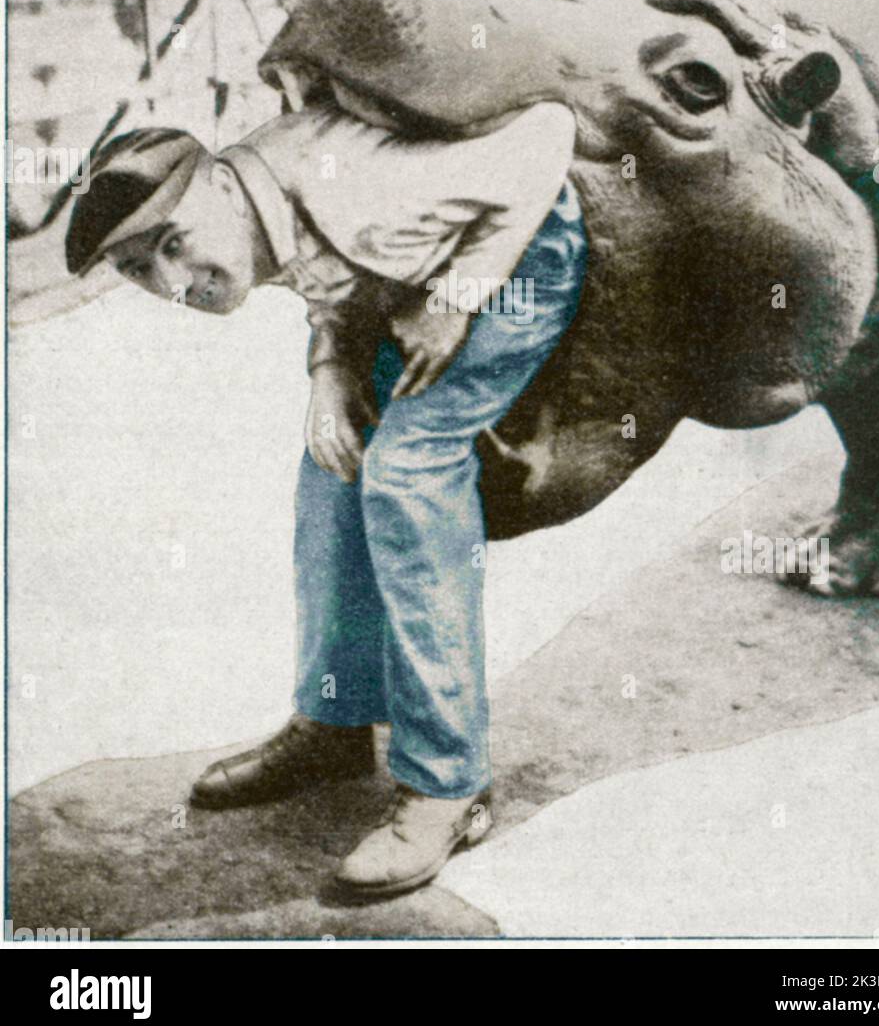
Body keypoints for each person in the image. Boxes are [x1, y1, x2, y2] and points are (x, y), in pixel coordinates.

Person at [65, 97, 586, 898]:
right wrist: (331, 369)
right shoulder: (253, 200)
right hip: (406, 281)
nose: (172, 283)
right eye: (139, 270)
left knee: (410, 473)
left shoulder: (354, 182)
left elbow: (546, 134)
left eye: (174, 245)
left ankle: (449, 784)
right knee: (332, 469)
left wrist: (456, 300)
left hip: (518, 263)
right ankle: (337, 721)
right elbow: (328, 270)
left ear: (224, 187)